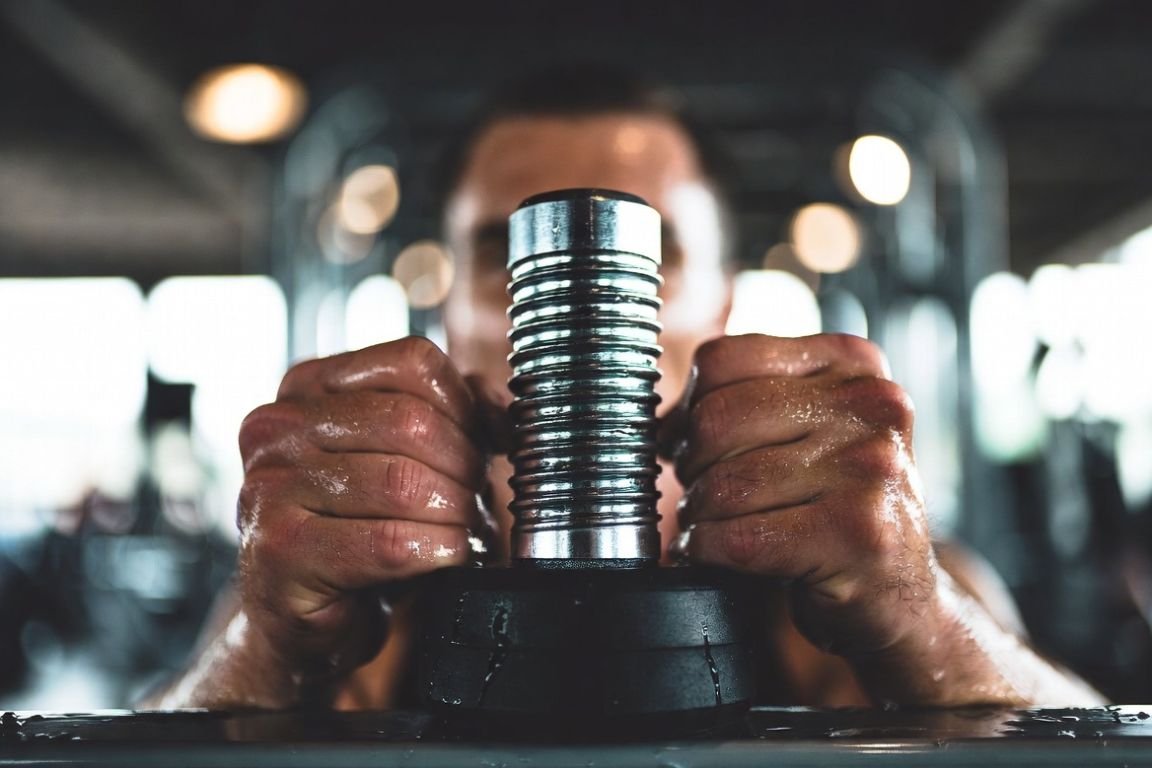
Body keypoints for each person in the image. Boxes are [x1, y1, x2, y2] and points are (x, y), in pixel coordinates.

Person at [149, 68, 1103, 710]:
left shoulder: (874, 611)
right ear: (448, 311)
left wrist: (931, 629)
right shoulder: (355, 626)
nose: (581, 294)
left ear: (726, 304)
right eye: (505, 254)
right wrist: (261, 655)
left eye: (651, 255)